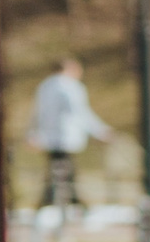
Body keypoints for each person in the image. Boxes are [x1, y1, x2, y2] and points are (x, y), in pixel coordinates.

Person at [27, 57, 108, 224]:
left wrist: (33, 134)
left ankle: (56, 204)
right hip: (67, 138)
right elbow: (80, 112)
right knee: (64, 174)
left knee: (58, 172)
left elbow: (36, 113)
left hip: (49, 139)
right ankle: (68, 205)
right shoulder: (71, 87)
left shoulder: (45, 86)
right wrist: (100, 131)